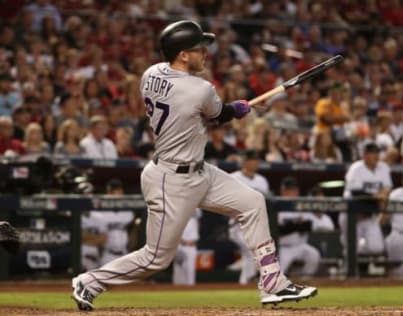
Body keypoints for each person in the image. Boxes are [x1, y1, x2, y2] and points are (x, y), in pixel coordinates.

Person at [72, 20, 316, 311]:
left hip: (199, 171)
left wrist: (232, 109)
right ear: (183, 55)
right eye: (200, 49)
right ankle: (89, 281)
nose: (205, 54)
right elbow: (220, 113)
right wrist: (239, 109)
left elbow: (205, 113)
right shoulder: (200, 88)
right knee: (156, 259)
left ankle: (273, 283)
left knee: (252, 202)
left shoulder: (150, 74)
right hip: (171, 180)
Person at [340, 143, 392, 255]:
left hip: (369, 214)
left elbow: (387, 188)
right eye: (372, 153)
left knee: (377, 248)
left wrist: (382, 196)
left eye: (377, 153)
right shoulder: (356, 168)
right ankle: (347, 262)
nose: (376, 156)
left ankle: (356, 253)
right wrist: (377, 197)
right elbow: (356, 193)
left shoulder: (383, 168)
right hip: (352, 215)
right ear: (364, 155)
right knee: (351, 247)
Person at [277, 177, 334, 278]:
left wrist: (294, 225)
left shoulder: (302, 206)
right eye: (289, 190)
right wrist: (296, 225)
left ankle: (304, 281)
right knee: (277, 274)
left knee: (314, 255)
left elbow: (308, 226)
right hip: (284, 247)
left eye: (294, 190)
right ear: (283, 191)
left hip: (300, 245)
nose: (292, 192)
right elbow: (279, 230)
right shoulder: (278, 207)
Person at [229, 149, 269, 284]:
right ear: (244, 161)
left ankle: (246, 282)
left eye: (257, 160)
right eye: (252, 160)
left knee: (253, 254)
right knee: (251, 251)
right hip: (238, 225)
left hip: (256, 226)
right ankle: (246, 282)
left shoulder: (262, 181)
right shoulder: (234, 178)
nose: (256, 163)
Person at [173, 209, 201, 285]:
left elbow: (198, 223)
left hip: (191, 246)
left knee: (190, 273)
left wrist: (195, 239)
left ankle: (190, 293)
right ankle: (176, 294)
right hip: (180, 245)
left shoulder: (197, 208)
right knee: (178, 273)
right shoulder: (178, 207)